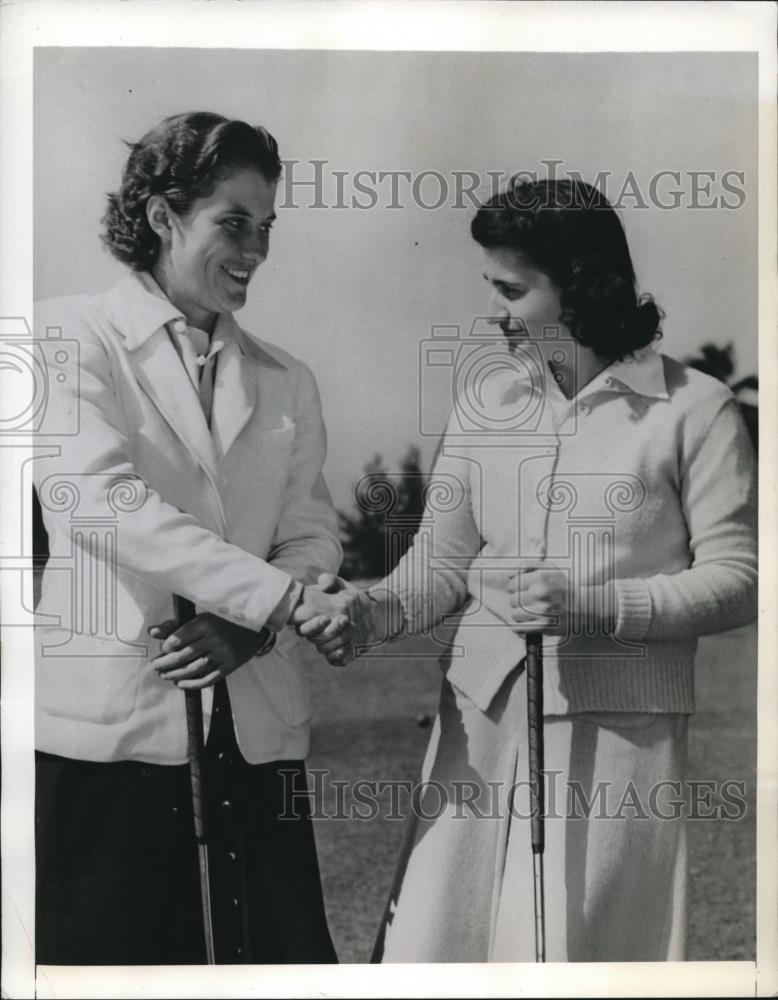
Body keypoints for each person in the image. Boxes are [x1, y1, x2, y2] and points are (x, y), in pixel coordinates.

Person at [294, 178, 758, 961]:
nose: (498, 311)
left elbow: (740, 576)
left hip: (621, 740)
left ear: (578, 280)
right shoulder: (486, 401)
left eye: (512, 289)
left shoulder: (696, 408)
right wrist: (368, 614)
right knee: (440, 952)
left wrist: (598, 605)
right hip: (476, 728)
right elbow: (438, 566)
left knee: (586, 957)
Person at [33, 111, 353, 965]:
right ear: (160, 216)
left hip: (254, 734)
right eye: (233, 223)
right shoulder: (62, 336)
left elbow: (314, 534)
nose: (255, 250)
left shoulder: (289, 379)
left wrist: (249, 628)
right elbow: (98, 501)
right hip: (111, 739)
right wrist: (274, 599)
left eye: (267, 227)